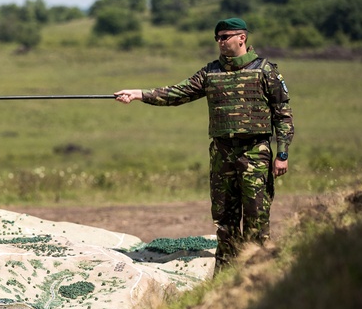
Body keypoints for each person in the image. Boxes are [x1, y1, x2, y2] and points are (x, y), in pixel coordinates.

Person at [114, 17, 294, 271]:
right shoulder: (210, 72)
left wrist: (282, 154)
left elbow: (282, 114)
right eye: (217, 38)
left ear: (242, 38)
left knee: (256, 219)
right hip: (222, 154)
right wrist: (139, 94)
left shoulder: (265, 71)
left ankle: (257, 276)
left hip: (255, 153)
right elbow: (178, 92)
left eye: (225, 37)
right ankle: (223, 279)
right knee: (225, 221)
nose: (220, 42)